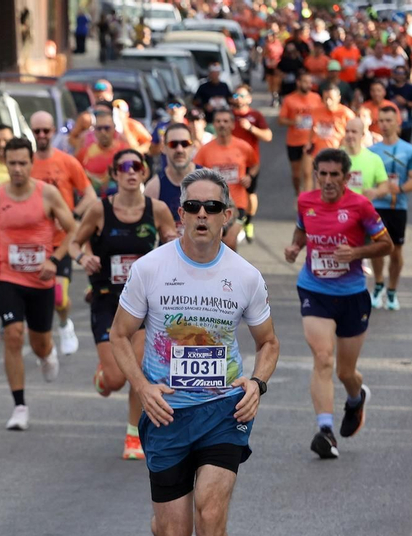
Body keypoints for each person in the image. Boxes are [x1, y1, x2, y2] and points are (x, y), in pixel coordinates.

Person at [107, 169, 279, 536]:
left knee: (211, 513)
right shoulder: (150, 269)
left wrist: (256, 383)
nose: (200, 215)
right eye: (191, 207)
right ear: (180, 213)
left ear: (228, 215)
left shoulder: (245, 276)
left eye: (211, 208)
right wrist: (142, 387)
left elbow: (268, 343)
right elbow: (120, 335)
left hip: (224, 410)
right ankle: (165, 533)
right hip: (166, 416)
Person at [283, 147, 394, 460]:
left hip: (352, 295)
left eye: (335, 175)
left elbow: (385, 245)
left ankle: (356, 398)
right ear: (316, 174)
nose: (328, 180)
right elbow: (302, 231)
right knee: (322, 358)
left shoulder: (361, 206)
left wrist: (356, 253)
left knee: (346, 372)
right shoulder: (306, 201)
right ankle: (325, 430)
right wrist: (294, 248)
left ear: (347, 177)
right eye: (323, 174)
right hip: (314, 290)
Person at [67, 148, 177, 459]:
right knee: (115, 378)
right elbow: (75, 241)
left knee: (138, 370)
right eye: (124, 167)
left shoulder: (156, 210)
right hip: (107, 300)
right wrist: (83, 257)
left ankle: (133, 436)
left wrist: (171, 241)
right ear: (115, 174)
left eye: (136, 166)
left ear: (144, 173)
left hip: (144, 303)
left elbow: (170, 237)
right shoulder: (100, 210)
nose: (131, 172)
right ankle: (103, 378)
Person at [0, 137, 78, 431]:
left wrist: (55, 259)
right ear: (5, 163)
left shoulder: (48, 194)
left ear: (31, 163)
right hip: (8, 278)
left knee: (39, 344)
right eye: (12, 163)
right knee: (13, 335)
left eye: (23, 162)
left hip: (41, 280)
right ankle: (20, 406)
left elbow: (74, 229)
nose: (17, 169)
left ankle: (47, 353)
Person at [28, 111, 93, 357]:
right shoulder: (27, 164)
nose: (42, 135)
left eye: (46, 130)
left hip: (61, 241)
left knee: (58, 297)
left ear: (54, 131)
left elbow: (89, 195)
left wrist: (73, 216)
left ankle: (65, 325)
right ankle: (45, 343)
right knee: (37, 299)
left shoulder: (67, 162)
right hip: (33, 244)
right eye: (37, 131)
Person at [369, 105, 412, 311]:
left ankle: (392, 289)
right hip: (376, 207)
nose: (384, 125)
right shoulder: (372, 151)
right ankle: (379, 283)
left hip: (398, 207)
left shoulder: (408, 150)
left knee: (396, 251)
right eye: (381, 120)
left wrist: (397, 189)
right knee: (377, 248)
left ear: (397, 122)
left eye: (389, 120)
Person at [193, 108, 260, 241]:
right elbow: (195, 173)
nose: (222, 124)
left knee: (230, 242)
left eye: (225, 121)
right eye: (218, 121)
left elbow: (255, 164)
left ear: (232, 125)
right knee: (216, 243)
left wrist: (249, 177)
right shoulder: (205, 150)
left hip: (238, 203)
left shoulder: (243, 146)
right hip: (213, 204)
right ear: (214, 125)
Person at [229, 88, 273, 242]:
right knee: (230, 194)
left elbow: (268, 136)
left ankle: (248, 222)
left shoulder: (255, 115)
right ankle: (232, 223)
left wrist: (251, 128)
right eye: (236, 95)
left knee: (249, 194)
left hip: (250, 162)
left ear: (249, 98)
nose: (239, 98)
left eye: (242, 95)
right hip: (230, 163)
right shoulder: (227, 117)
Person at [281, 74, 322, 194]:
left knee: (307, 173)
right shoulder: (289, 99)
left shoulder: (316, 97)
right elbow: (281, 120)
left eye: (310, 82)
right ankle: (298, 193)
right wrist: (294, 121)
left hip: (310, 141)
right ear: (298, 83)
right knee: (296, 175)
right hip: (294, 141)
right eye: (305, 82)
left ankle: (307, 200)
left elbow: (321, 114)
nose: (308, 85)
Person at [76, 104, 130, 193]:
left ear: (114, 129)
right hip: (92, 201)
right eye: (99, 128)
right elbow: (74, 171)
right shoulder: (86, 151)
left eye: (107, 128)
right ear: (94, 130)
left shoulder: (124, 150)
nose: (103, 132)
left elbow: (142, 171)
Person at [340, 116, 389, 200]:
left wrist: (376, 192)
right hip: (338, 209)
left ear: (362, 134)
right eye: (347, 131)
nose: (350, 135)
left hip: (362, 210)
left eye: (354, 132)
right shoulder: (334, 157)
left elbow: (384, 185)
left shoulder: (374, 159)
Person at [310, 83, 357, 159]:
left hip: (338, 153)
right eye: (325, 99)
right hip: (319, 153)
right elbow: (312, 128)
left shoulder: (346, 114)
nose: (328, 102)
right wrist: (310, 143)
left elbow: (354, 133)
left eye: (331, 99)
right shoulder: (316, 112)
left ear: (338, 98)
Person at [389, 65, 412, 143]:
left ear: (405, 75)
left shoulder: (411, 89)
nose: (399, 75)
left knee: (405, 145)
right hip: (392, 122)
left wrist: (406, 102)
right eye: (397, 73)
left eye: (402, 73)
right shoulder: (389, 88)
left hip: (406, 122)